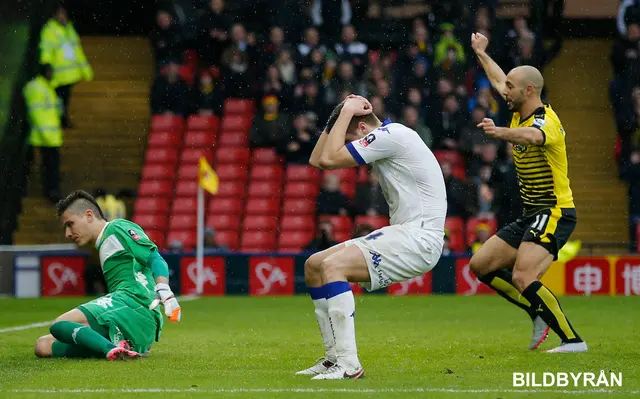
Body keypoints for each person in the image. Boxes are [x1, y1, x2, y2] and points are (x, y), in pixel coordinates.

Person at [298, 95, 446, 379]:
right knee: (315, 265)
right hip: (405, 232)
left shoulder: (392, 135)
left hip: (420, 237)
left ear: (364, 129)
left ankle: (349, 365)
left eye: (350, 137)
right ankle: (333, 359)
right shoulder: (387, 135)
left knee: (333, 267)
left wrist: (345, 114)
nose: (349, 145)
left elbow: (328, 159)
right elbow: (317, 159)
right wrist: (337, 116)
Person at [469, 32, 586, 353]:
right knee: (481, 266)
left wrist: (499, 132)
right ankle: (536, 311)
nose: (503, 91)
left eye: (510, 87)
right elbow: (497, 78)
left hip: (555, 211)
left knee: (523, 275)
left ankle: (573, 341)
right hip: (533, 215)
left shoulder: (547, 121)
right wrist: (481, 52)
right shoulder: (520, 110)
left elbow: (533, 138)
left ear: (529, 90)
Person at [34, 191, 181, 360]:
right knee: (43, 346)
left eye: (70, 224)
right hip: (129, 317)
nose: (67, 233)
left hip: (135, 303)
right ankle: (123, 347)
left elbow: (154, 257)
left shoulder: (117, 228)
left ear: (89, 215)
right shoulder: (104, 244)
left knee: (59, 325)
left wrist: (164, 289)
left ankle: (110, 349)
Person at [39, 4, 93, 128]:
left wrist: (86, 70)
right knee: (59, 100)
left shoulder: (69, 28)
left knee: (64, 99)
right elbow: (46, 49)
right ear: (54, 15)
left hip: (69, 75)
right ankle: (60, 120)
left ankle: (62, 120)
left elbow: (77, 50)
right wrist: (47, 66)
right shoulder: (50, 30)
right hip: (57, 74)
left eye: (64, 14)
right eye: (60, 14)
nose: (62, 17)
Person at [23, 64, 63, 203]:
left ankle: (51, 191)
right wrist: (46, 134)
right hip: (44, 136)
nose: (52, 74)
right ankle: (50, 192)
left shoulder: (46, 86)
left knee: (50, 165)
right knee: (49, 165)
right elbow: (36, 113)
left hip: (50, 136)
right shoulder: (37, 87)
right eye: (50, 71)